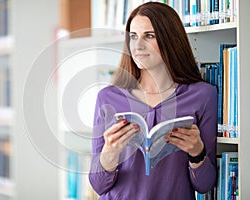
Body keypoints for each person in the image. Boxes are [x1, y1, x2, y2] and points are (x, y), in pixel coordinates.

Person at [88, 2, 217, 200]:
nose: (138, 45)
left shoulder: (202, 95)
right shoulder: (108, 97)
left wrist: (197, 152)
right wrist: (110, 153)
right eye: (133, 36)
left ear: (171, 39)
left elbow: (205, 185)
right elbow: (98, 186)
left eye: (149, 36)